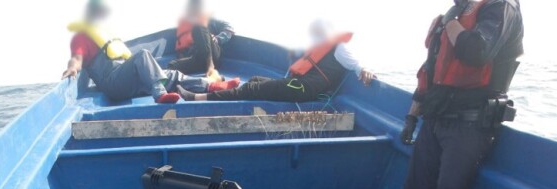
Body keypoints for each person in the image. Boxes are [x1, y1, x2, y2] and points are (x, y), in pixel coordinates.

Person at [365, 0, 524, 189]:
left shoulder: (500, 7)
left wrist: (452, 21)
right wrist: (412, 117)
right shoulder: (451, 16)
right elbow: (429, 72)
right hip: (435, 120)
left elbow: (477, 51)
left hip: (471, 124)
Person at [62, 0, 240, 104]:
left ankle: (212, 86)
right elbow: (76, 58)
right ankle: (159, 94)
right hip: (113, 84)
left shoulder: (105, 34)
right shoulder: (81, 37)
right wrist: (72, 69)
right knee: (143, 55)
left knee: (171, 74)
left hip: (126, 79)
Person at [178, 19, 374, 103]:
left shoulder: (339, 48)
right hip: (300, 85)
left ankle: (196, 97)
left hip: (304, 89)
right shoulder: (323, 48)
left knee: (251, 89)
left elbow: (356, 65)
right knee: (255, 79)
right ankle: (218, 90)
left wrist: (364, 70)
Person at [168, 0, 235, 76]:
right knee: (172, 65)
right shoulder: (185, 26)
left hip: (213, 55)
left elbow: (229, 29)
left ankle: (210, 65)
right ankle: (194, 82)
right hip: (197, 58)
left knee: (199, 26)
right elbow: (181, 50)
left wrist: (217, 39)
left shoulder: (212, 21)